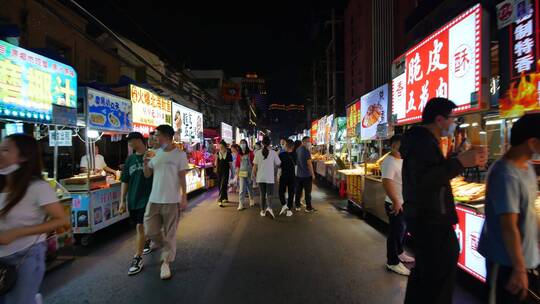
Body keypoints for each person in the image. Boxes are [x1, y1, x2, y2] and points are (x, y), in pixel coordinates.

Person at [400, 97, 486, 304]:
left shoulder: (422, 141)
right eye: (452, 119)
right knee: (437, 279)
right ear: (439, 119)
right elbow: (425, 179)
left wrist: (456, 158)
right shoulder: (422, 142)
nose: (454, 123)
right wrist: (459, 162)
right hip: (431, 221)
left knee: (426, 274)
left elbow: (430, 173)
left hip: (427, 219)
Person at [0, 134, 69, 303]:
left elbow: (62, 220)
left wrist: (18, 232)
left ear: (24, 156)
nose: (0, 153)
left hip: (25, 256)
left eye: (6, 149)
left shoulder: (38, 187)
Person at [478, 113, 540, 303]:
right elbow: (508, 227)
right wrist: (519, 269)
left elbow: (529, 212)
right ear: (532, 142)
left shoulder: (526, 167)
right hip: (505, 264)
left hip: (523, 260)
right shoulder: (505, 174)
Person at [143, 125, 189, 280]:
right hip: (154, 199)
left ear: (166, 136)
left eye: (157, 135)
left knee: (170, 233)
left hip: (171, 200)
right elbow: (147, 174)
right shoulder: (154, 153)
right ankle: (165, 246)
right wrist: (145, 163)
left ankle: (165, 263)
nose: (154, 138)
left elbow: (182, 177)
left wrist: (184, 196)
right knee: (150, 230)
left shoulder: (180, 155)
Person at [119, 132, 154, 276]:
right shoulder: (130, 160)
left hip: (150, 198)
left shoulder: (152, 155)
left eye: (131, 141)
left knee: (140, 226)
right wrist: (122, 201)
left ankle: (137, 258)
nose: (130, 144)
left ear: (139, 141)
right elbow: (125, 180)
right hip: (134, 199)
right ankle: (148, 238)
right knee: (141, 226)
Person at [381, 135, 415, 276]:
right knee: (395, 233)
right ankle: (392, 262)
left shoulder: (401, 159)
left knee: (402, 231)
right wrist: (395, 201)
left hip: (403, 202)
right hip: (394, 204)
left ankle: (399, 253)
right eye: (401, 146)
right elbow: (386, 182)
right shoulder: (389, 161)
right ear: (394, 145)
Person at [252, 136, 281, 219]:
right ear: (270, 143)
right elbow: (278, 164)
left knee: (262, 194)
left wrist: (254, 175)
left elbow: (255, 166)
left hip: (260, 177)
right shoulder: (273, 153)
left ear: (262, 143)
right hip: (270, 177)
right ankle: (269, 208)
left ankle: (262, 211)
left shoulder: (257, 153)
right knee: (269, 194)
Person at [294, 136, 316, 212]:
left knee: (298, 191)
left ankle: (297, 206)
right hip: (306, 175)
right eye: (308, 141)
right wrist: (312, 174)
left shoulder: (297, 150)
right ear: (303, 142)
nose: (309, 143)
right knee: (307, 192)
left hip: (298, 175)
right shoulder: (306, 151)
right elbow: (309, 164)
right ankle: (308, 207)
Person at [278, 139, 296, 217]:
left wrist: (278, 176)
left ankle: (284, 205)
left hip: (284, 176)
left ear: (286, 145)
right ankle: (289, 209)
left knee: (281, 191)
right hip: (292, 176)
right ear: (292, 146)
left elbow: (279, 167)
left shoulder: (281, 155)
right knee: (291, 193)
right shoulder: (295, 154)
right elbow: (296, 166)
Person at [236, 139, 255, 210]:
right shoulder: (239, 154)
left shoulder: (250, 153)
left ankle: (251, 199)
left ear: (246, 144)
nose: (242, 145)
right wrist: (237, 175)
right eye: (241, 143)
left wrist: (254, 173)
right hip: (242, 173)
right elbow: (237, 165)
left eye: (244, 143)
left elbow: (254, 164)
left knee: (250, 187)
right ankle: (241, 203)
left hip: (249, 173)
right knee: (242, 188)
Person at [215, 141, 233, 207]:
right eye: (220, 146)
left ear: (225, 147)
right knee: (220, 185)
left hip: (226, 172)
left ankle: (220, 200)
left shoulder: (228, 154)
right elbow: (216, 163)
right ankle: (225, 198)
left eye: (222, 146)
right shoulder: (217, 153)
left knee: (223, 184)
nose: (221, 148)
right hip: (219, 171)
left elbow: (230, 164)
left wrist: (233, 173)